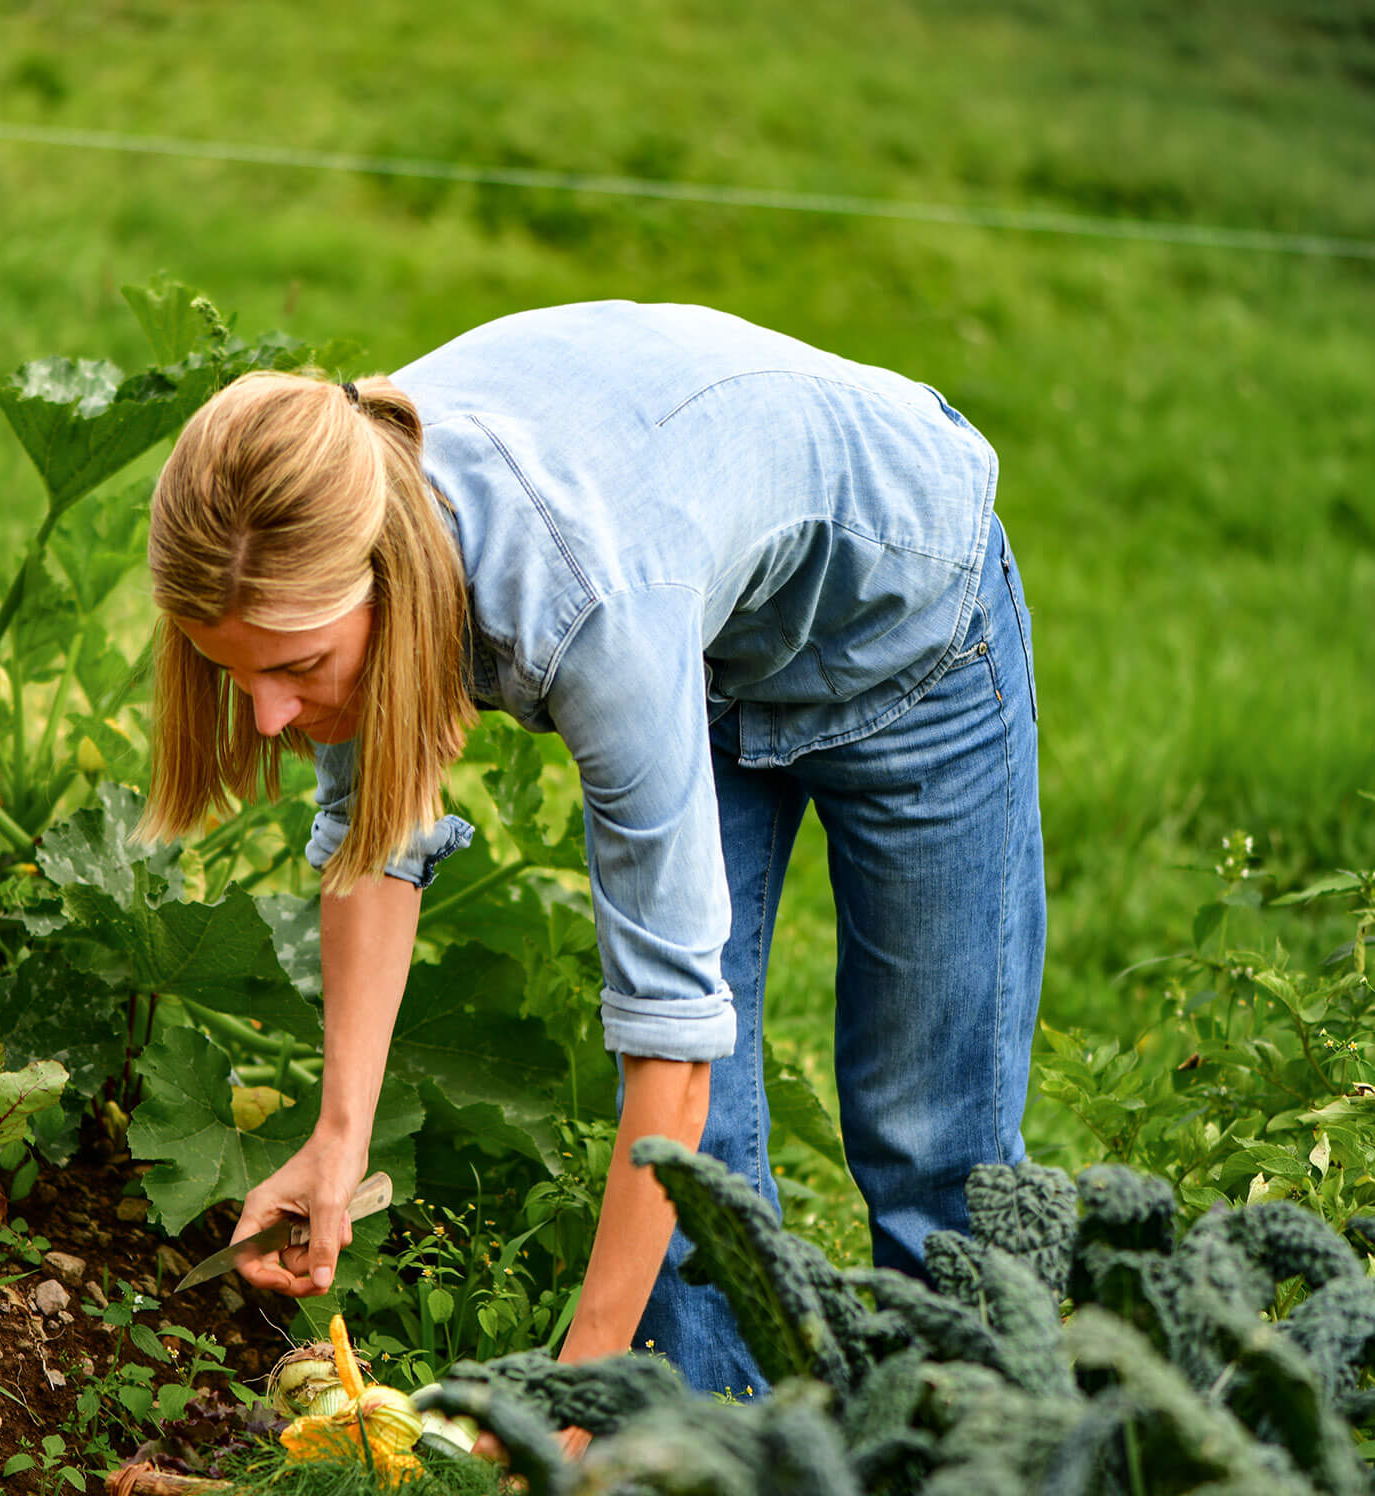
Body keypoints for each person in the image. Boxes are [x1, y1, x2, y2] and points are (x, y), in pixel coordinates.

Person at [141, 300, 1043, 1399]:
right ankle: (708, 1494)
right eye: (235, 674)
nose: (268, 716)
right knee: (701, 1172)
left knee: (929, 1145)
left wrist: (574, 1388)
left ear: (384, 584)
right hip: (708, 635)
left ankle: (982, 1494)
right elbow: (376, 838)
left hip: (908, 625)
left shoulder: (583, 609)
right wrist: (339, 1136)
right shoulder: (335, 511)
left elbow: (671, 1044)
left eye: (296, 667)